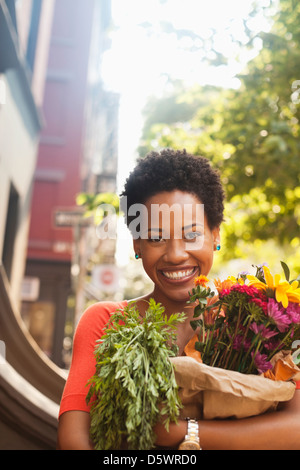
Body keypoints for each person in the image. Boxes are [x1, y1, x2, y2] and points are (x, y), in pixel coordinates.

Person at [57, 148, 300, 450]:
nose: (175, 254)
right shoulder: (106, 322)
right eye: (156, 238)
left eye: (191, 235)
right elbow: (73, 440)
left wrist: (184, 432)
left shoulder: (261, 321)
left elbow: (296, 427)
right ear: (137, 244)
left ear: (215, 235)